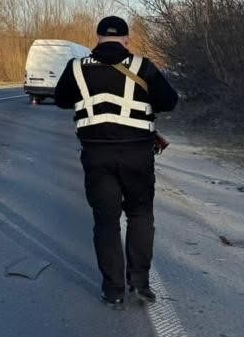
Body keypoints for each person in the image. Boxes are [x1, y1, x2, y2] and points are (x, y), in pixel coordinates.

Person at [53, 16, 178, 308]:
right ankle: (140, 284)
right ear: (126, 40)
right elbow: (169, 102)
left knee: (106, 222)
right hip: (138, 155)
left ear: (96, 38)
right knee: (140, 215)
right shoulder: (142, 67)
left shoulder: (76, 68)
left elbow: (60, 100)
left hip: (96, 156)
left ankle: (113, 290)